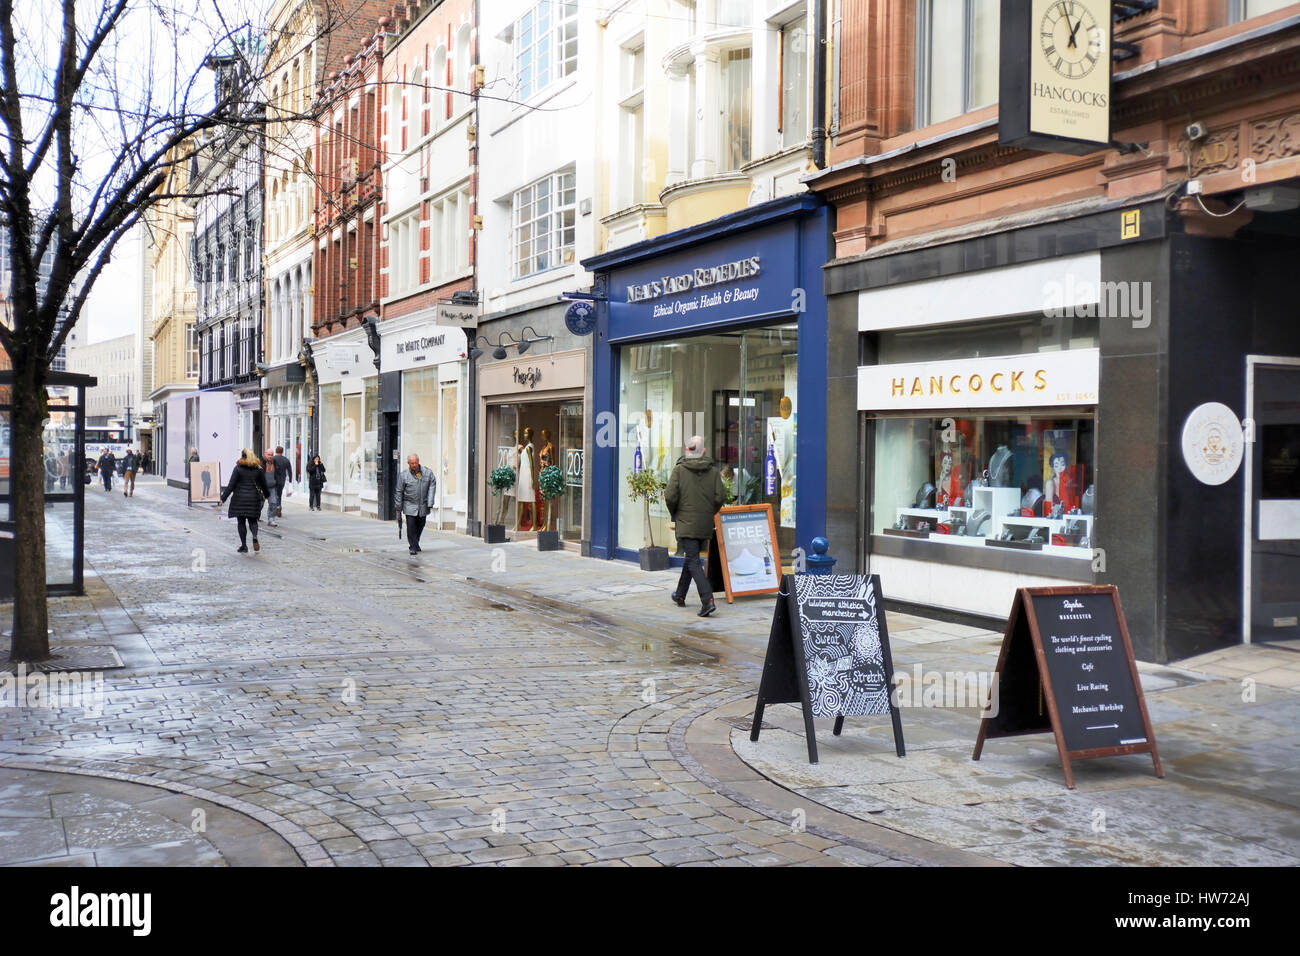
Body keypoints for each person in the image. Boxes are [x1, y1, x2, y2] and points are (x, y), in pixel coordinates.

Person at [665, 435, 726, 618]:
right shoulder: (714, 471)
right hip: (705, 524)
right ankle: (680, 595)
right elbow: (720, 496)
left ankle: (707, 600)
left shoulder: (679, 470)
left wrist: (676, 513)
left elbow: (670, 496)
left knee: (693, 561)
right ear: (704, 451)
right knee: (691, 558)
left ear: (687, 450)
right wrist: (709, 512)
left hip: (686, 522)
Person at [219, 448, 270, 553]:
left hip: (239, 499)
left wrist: (223, 498)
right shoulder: (259, 469)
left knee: (241, 522)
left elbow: (231, 485)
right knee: (253, 521)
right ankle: (255, 536)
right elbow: (264, 484)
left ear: (242, 456)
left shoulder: (238, 468)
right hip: (253, 499)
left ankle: (244, 546)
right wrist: (267, 495)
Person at [393, 453, 436, 555]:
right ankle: (413, 546)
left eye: (416, 463)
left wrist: (430, 501)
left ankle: (415, 543)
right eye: (412, 463)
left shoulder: (427, 473)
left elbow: (432, 484)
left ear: (418, 462)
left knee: (421, 524)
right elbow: (399, 491)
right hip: (409, 505)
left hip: (422, 505)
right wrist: (398, 507)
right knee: (411, 526)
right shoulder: (403, 475)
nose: (414, 465)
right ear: (408, 463)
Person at [262, 448, 281, 527]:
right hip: (262, 487)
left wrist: (278, 482)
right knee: (259, 504)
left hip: (272, 487)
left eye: (272, 455)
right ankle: (255, 517)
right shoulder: (260, 462)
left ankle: (271, 519)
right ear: (265, 454)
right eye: (268, 454)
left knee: (273, 503)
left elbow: (279, 473)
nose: (270, 456)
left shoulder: (275, 463)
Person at [272, 445, 293, 516]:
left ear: (276, 451)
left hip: (274, 479)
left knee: (274, 494)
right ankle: (279, 506)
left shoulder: (273, 459)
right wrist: (290, 480)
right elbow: (290, 471)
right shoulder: (286, 460)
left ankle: (276, 507)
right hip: (282, 480)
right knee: (279, 494)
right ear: (282, 451)